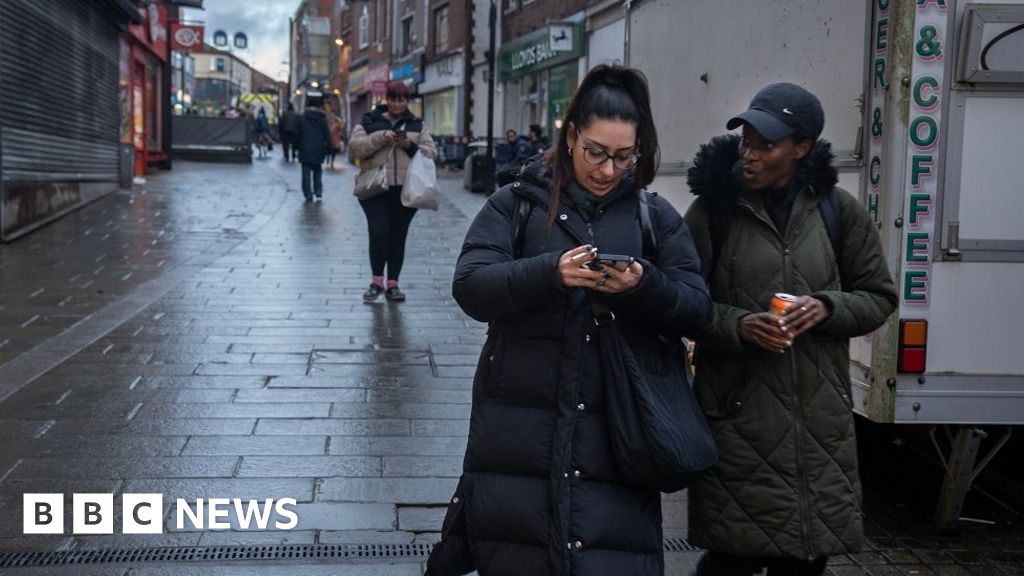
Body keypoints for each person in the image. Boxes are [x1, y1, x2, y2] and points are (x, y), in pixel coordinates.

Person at [425, 64, 711, 576]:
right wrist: (549, 273)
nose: (607, 169)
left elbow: (698, 307)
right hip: (520, 432)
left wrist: (643, 285)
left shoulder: (653, 216)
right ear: (571, 134)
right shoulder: (515, 205)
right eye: (596, 152)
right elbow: (471, 286)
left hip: (618, 435)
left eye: (624, 157)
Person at [682, 83, 898, 576]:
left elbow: (879, 297)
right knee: (729, 560)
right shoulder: (713, 211)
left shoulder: (838, 212)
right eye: (746, 141)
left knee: (804, 559)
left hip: (816, 426)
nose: (749, 155)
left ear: (801, 149)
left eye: (765, 144)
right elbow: (682, 301)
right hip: (738, 419)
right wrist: (738, 325)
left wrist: (826, 307)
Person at [349, 81, 437, 302]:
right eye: (394, 99)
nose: (398, 104)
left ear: (407, 101)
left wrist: (409, 145)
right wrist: (382, 137)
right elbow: (356, 147)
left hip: (406, 190)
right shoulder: (370, 121)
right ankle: (376, 282)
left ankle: (393, 285)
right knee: (378, 233)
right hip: (374, 188)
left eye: (402, 99)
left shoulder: (417, 124)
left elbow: (431, 152)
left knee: (398, 236)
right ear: (386, 99)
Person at [296, 94, 331, 202]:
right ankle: (318, 191)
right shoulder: (323, 119)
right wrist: (327, 147)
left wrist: (296, 147)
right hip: (318, 148)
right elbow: (326, 135)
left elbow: (298, 134)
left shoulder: (302, 118)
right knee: (317, 170)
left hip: (304, 148)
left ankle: (308, 194)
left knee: (306, 172)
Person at [325, 102, 344, 170]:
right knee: (329, 150)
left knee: (334, 151)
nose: (333, 116)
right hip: (329, 139)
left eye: (334, 115)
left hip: (335, 140)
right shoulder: (328, 121)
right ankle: (328, 159)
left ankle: (332, 161)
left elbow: (341, 128)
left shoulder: (337, 122)